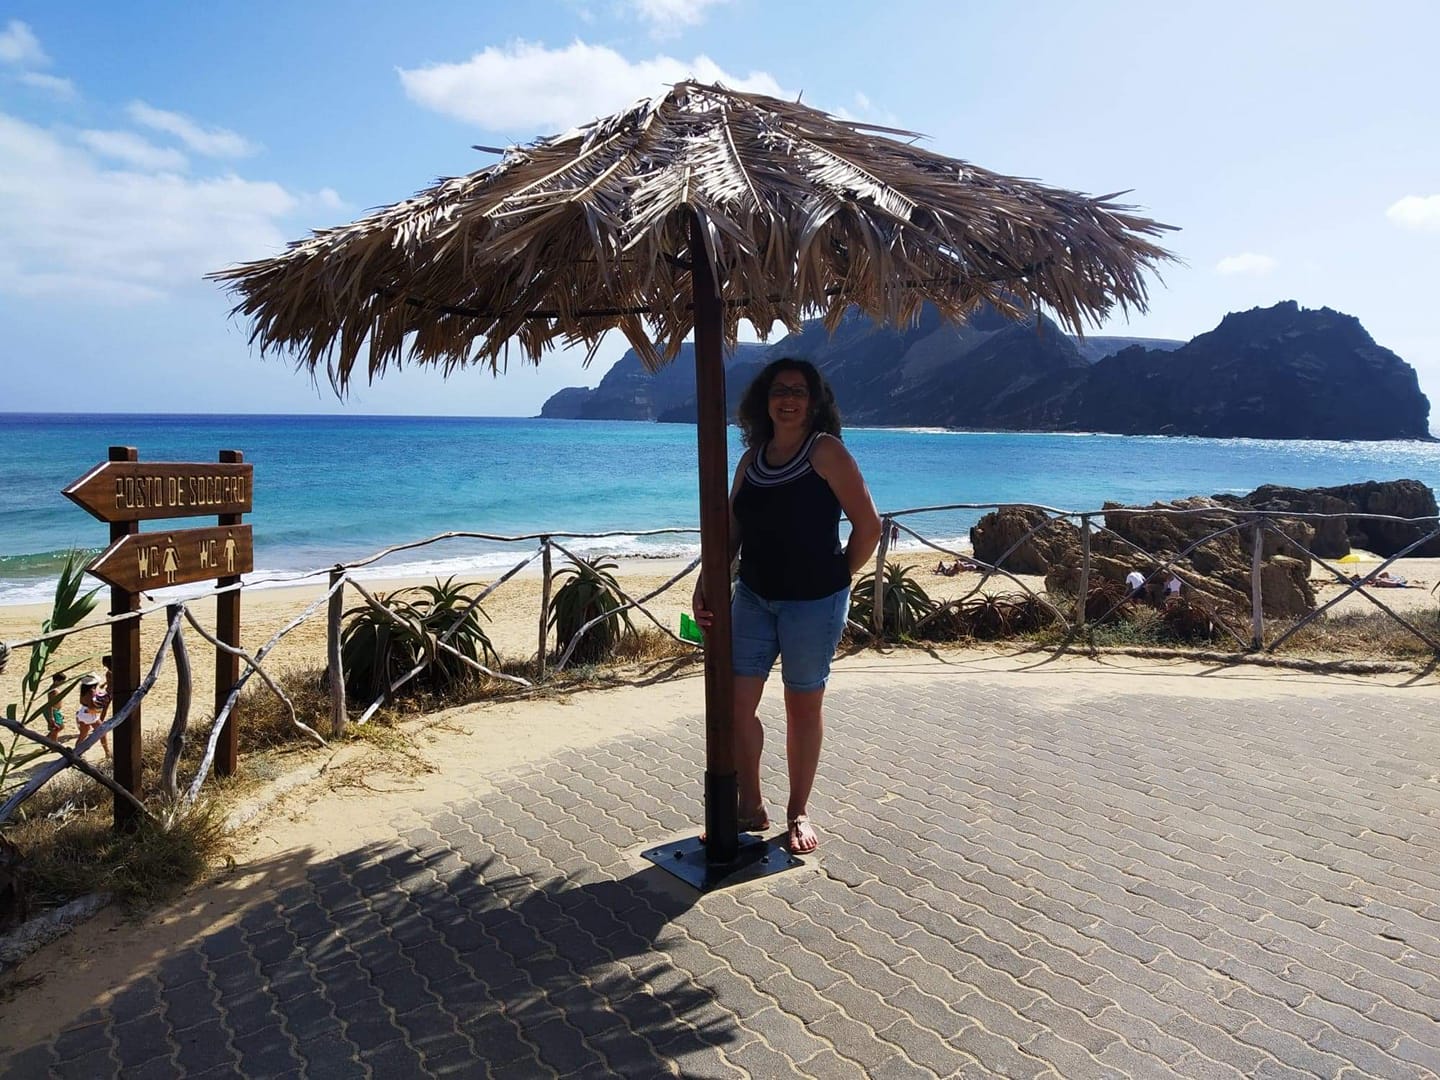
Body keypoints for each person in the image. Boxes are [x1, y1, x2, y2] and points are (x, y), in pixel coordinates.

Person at [691, 357, 882, 855]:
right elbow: (730, 532)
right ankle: (751, 806)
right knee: (733, 706)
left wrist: (836, 577)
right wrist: (706, 581)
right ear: (765, 400)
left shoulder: (827, 452)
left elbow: (868, 527)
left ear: (814, 403)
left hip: (813, 605)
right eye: (779, 389)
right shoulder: (751, 460)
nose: (788, 398)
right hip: (753, 597)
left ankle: (798, 811)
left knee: (801, 708)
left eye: (799, 391)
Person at [74, 673, 110, 760]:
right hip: (89, 714)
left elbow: (82, 702)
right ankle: (107, 752)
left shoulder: (83, 690)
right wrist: (99, 709)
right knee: (102, 732)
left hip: (82, 712)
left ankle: (76, 753)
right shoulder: (91, 691)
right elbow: (91, 708)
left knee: (83, 735)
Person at [45, 673, 67, 742]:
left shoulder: (55, 688)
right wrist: (51, 717)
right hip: (53, 711)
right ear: (56, 681)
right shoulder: (53, 691)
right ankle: (54, 744)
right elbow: (50, 704)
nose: (63, 683)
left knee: (60, 726)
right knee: (56, 728)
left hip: (56, 711)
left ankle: (47, 739)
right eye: (62, 682)